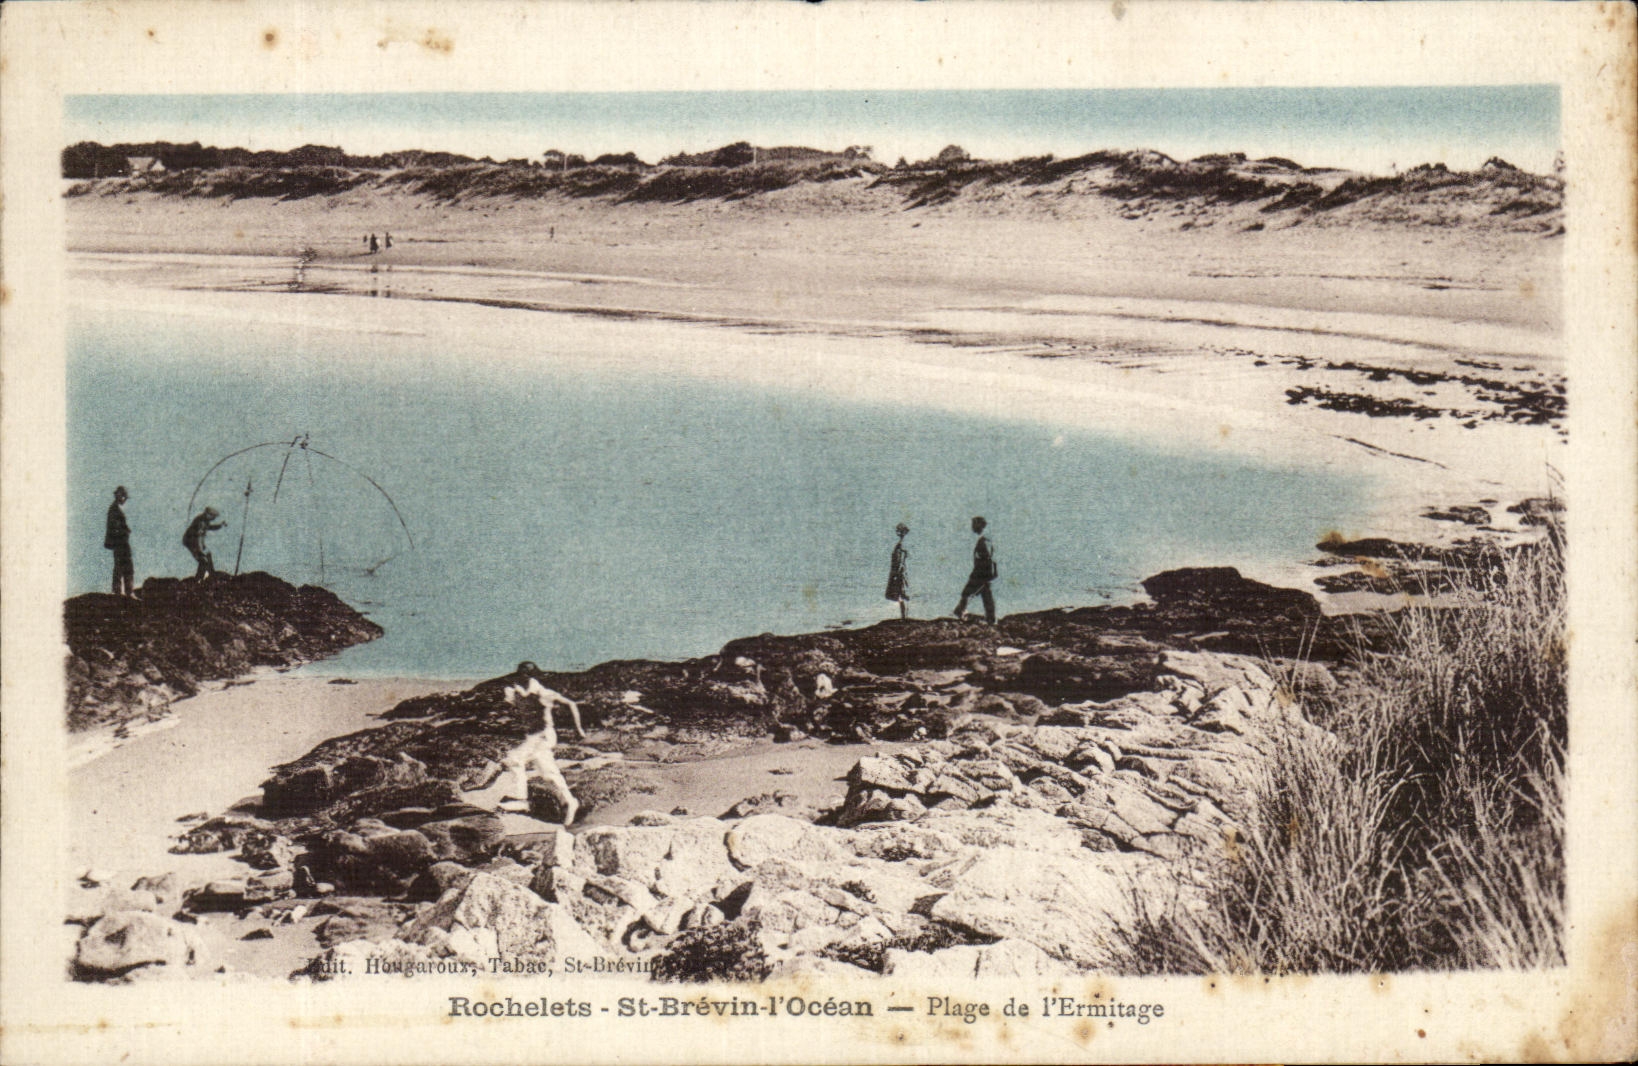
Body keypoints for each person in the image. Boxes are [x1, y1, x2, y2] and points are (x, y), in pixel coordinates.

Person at [498, 661, 587, 825]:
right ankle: (570, 801)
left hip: (544, 735)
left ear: (532, 676)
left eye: (526, 673)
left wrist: (579, 729)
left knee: (514, 759)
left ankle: (521, 799)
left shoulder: (543, 693)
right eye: (521, 673)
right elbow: (510, 701)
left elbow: (571, 704)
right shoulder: (516, 692)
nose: (522, 676)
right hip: (532, 737)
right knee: (548, 773)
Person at [953, 516, 998, 624]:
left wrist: (987, 573)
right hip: (984, 573)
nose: (972, 527)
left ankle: (960, 613)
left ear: (980, 525)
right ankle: (991, 619)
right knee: (986, 596)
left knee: (967, 593)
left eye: (974, 524)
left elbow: (988, 558)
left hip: (981, 573)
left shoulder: (984, 540)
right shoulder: (987, 538)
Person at [105, 486, 134, 597]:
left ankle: (122, 591)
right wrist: (124, 531)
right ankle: (125, 591)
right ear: (119, 496)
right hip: (120, 542)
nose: (125, 499)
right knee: (125, 566)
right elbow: (115, 527)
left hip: (120, 542)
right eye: (124, 497)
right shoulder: (114, 509)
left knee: (121, 566)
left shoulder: (115, 509)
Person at [183, 507, 227, 580]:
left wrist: (220, 525)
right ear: (208, 514)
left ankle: (211, 573)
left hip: (196, 540)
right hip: (192, 541)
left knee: (208, 554)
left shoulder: (204, 520)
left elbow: (209, 527)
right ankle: (198, 579)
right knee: (203, 559)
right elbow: (199, 537)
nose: (214, 519)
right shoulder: (201, 522)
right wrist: (200, 550)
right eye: (213, 517)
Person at [885, 522, 911, 619]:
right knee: (901, 594)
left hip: (900, 573)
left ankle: (904, 616)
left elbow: (900, 561)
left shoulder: (901, 545)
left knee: (902, 594)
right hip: (900, 572)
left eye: (898, 530)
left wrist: (897, 573)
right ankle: (904, 616)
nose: (897, 532)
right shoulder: (902, 544)